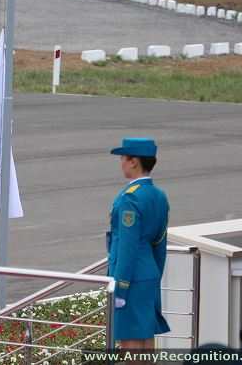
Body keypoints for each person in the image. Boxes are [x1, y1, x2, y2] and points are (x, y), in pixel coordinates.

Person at [107, 138, 170, 349]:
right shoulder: (158, 195)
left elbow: (127, 248)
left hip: (130, 277)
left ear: (134, 161)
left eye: (123, 158)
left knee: (131, 338)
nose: (121, 163)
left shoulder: (129, 199)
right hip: (149, 272)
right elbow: (160, 242)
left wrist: (120, 288)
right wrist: (155, 273)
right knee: (146, 334)